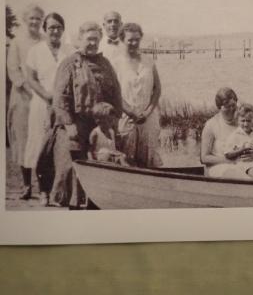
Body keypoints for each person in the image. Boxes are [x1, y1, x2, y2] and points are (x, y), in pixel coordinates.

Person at [52, 21, 123, 209]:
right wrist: (68, 124)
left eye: (96, 39)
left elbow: (116, 92)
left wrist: (115, 118)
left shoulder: (105, 63)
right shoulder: (69, 63)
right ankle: (73, 203)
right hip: (76, 122)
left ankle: (95, 202)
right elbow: (60, 96)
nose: (92, 43)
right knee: (73, 163)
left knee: (100, 163)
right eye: (88, 39)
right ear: (79, 39)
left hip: (99, 124)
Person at [24, 12, 73, 205]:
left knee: (60, 148)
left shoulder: (70, 50)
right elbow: (30, 78)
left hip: (64, 107)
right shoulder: (35, 51)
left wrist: (62, 101)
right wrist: (47, 96)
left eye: (58, 27)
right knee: (40, 146)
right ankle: (42, 191)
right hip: (41, 105)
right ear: (45, 29)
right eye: (51, 27)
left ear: (63, 29)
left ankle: (57, 191)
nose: (55, 31)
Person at [7, 4, 44, 200]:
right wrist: (29, 88)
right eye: (31, 18)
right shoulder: (17, 42)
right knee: (23, 141)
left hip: (42, 99)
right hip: (22, 99)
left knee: (41, 140)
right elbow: (13, 70)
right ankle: (26, 185)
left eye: (38, 19)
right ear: (25, 20)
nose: (35, 22)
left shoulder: (46, 41)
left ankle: (43, 187)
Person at [116, 23, 163, 168]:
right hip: (126, 117)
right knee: (127, 158)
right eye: (130, 40)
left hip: (148, 117)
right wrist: (131, 112)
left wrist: (148, 111)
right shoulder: (116, 63)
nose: (134, 43)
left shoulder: (148, 61)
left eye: (137, 39)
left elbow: (157, 88)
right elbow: (114, 94)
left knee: (149, 158)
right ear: (123, 40)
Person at [200, 87, 253, 180]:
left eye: (233, 105)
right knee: (245, 178)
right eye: (227, 106)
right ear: (219, 107)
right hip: (217, 169)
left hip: (241, 165)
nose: (231, 109)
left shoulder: (242, 123)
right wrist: (230, 161)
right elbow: (204, 158)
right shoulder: (211, 125)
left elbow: (252, 144)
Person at [224, 103, 253, 180]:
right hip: (243, 164)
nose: (246, 124)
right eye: (243, 121)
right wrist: (242, 149)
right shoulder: (234, 135)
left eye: (249, 121)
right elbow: (227, 154)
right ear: (238, 121)